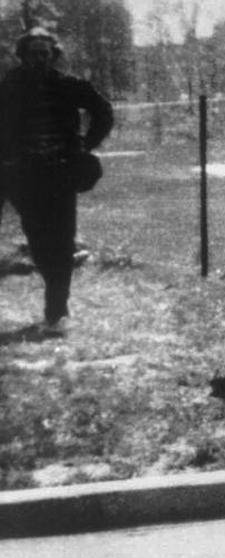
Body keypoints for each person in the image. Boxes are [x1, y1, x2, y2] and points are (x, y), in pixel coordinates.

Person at [0, 27, 113, 336]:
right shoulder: (8, 87)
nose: (39, 59)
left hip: (61, 174)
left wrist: (86, 145)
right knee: (39, 240)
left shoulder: (67, 85)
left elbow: (102, 110)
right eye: (33, 53)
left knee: (62, 240)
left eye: (45, 53)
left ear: (53, 56)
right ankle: (54, 292)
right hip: (25, 178)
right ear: (22, 55)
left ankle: (57, 309)